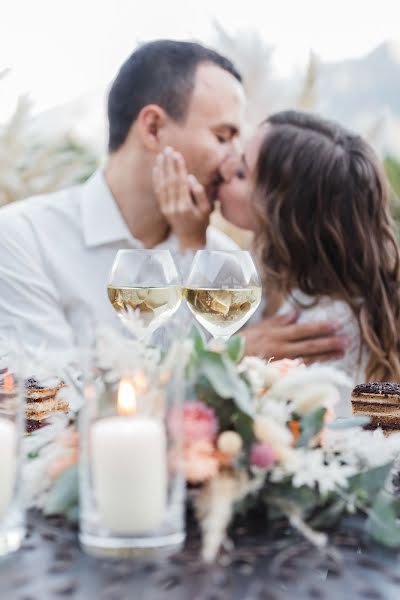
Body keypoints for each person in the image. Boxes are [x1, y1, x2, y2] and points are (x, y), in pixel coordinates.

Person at [0, 41, 346, 362]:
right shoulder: (24, 239)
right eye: (222, 137)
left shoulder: (227, 265)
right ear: (152, 129)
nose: (232, 162)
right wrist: (225, 357)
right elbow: (44, 404)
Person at [217, 111, 400, 385]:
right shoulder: (271, 269)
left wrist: (233, 355)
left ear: (283, 212)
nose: (225, 169)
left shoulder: (328, 327)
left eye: (242, 173)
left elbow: (372, 423)